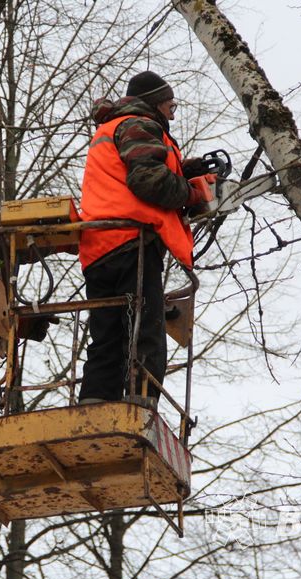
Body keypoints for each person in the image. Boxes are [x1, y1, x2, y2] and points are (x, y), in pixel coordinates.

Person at [77, 71, 207, 406]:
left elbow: (137, 173)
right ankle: (142, 402)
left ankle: (94, 402)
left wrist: (179, 170)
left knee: (107, 333)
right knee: (145, 326)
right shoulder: (140, 124)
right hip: (131, 242)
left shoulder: (112, 128)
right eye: (170, 105)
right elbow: (148, 181)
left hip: (98, 247)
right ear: (155, 102)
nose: (172, 114)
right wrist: (191, 193)